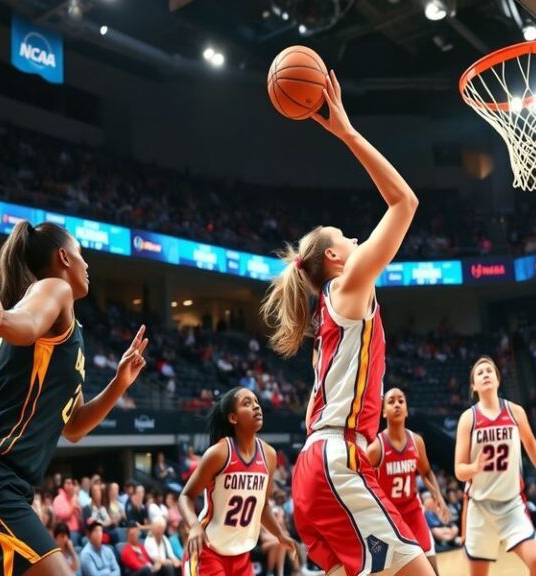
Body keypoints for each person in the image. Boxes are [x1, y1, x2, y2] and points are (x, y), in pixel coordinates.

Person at [260, 70, 428, 576]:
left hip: (322, 465)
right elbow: (404, 201)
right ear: (335, 256)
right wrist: (347, 132)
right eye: (346, 237)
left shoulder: (336, 306)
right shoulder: (347, 285)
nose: (357, 238)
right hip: (335, 462)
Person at [0, 221, 149, 576]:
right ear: (63, 257)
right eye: (82, 256)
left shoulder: (69, 335)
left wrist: (119, 383)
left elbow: (74, 427)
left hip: (0, 481)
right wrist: (1, 318)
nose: (87, 265)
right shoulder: (53, 288)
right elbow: (26, 324)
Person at [179, 387, 296, 576]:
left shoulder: (269, 455)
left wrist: (279, 534)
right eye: (247, 403)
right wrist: (193, 527)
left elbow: (262, 506)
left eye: (257, 402)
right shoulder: (219, 453)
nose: (257, 407)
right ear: (233, 418)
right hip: (207, 552)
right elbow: (186, 495)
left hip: (241, 555)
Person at [454, 356, 536, 576]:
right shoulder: (468, 419)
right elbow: (459, 471)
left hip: (511, 505)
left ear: (497, 379)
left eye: (490, 371)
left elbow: (532, 445)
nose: (486, 374)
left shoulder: (515, 412)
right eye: (480, 373)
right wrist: (474, 468)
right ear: (474, 386)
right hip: (480, 507)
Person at [367, 388, 452, 574]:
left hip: (414, 514)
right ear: (383, 411)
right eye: (391, 401)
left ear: (406, 409)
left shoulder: (417, 441)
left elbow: (427, 472)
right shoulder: (376, 448)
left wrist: (440, 499)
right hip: (389, 521)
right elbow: (359, 480)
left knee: (432, 571)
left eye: (401, 401)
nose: (397, 404)